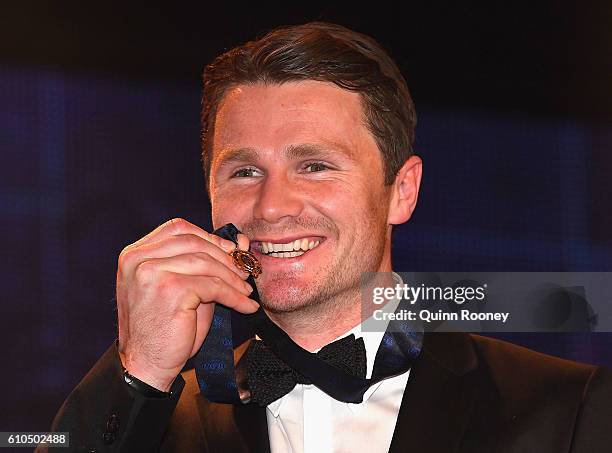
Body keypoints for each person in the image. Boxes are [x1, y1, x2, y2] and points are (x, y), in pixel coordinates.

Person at [40, 22, 612, 453]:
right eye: (244, 171)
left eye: (314, 165)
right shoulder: (153, 422)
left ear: (402, 191)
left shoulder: (566, 408)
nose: (272, 205)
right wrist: (138, 371)